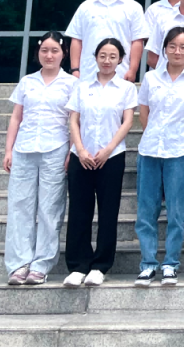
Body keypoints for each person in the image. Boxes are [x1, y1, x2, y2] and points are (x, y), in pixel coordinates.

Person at [134, 26, 184, 287]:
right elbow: (144, 111)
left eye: (183, 46)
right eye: (172, 46)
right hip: (150, 150)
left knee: (177, 210)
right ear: (164, 49)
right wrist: (153, 134)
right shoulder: (151, 78)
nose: (177, 51)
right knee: (146, 211)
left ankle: (170, 263)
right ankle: (148, 264)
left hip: (180, 151)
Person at [63, 37, 137, 288]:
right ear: (95, 57)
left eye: (113, 56)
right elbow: (74, 120)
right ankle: (77, 265)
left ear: (120, 59)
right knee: (79, 211)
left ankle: (100, 265)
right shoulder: (82, 86)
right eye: (103, 55)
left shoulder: (126, 88)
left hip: (111, 157)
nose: (107, 60)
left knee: (108, 212)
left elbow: (127, 122)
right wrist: (80, 149)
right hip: (81, 156)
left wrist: (107, 149)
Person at [3, 32, 76, 286]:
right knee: (20, 207)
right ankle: (18, 264)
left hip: (55, 149)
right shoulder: (27, 81)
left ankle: (41, 265)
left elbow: (74, 121)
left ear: (63, 53)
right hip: (24, 149)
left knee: (50, 208)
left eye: (54, 50)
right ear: (38, 53)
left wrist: (71, 151)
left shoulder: (71, 84)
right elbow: (16, 117)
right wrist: (9, 150)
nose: (49, 55)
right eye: (45, 50)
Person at [66, 0, 149, 82]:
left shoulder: (134, 7)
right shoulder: (86, 7)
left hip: (120, 73)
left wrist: (132, 70)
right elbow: (76, 39)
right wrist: (75, 69)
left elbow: (137, 41)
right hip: (87, 73)